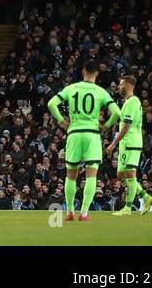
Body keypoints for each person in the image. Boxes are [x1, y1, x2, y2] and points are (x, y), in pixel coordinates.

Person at [47, 60, 121, 222]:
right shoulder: (100, 91)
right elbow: (116, 112)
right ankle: (85, 213)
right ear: (97, 73)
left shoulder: (72, 88)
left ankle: (70, 212)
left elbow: (52, 104)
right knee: (91, 175)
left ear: (83, 72)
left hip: (74, 132)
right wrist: (106, 126)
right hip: (92, 134)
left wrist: (62, 122)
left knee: (71, 175)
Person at [107, 73, 152, 215]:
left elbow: (127, 125)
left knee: (130, 174)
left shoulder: (133, 101)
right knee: (121, 175)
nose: (119, 86)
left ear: (128, 86)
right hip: (125, 143)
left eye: (121, 84)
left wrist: (112, 144)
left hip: (131, 142)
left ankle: (128, 208)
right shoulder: (128, 102)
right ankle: (146, 197)